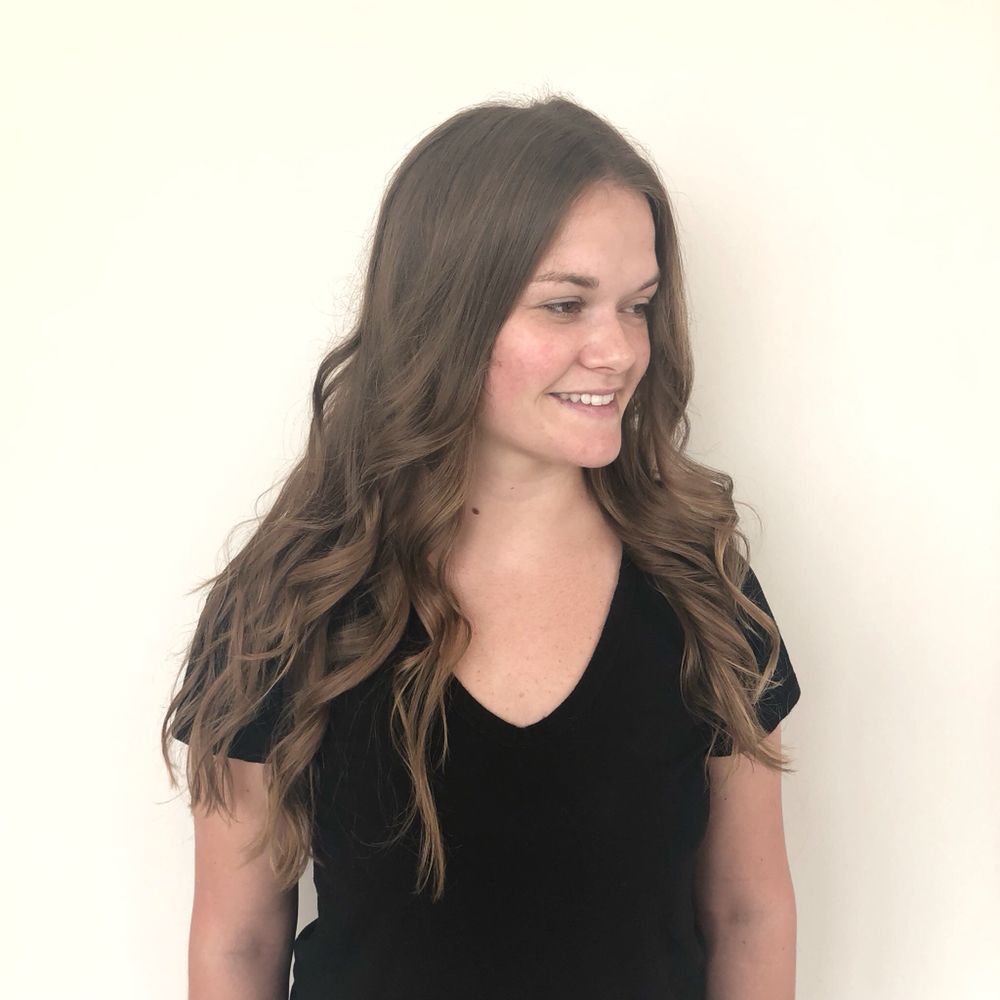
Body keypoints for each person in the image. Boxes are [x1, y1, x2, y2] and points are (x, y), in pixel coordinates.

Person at [162, 93, 802, 1000]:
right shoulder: (294, 595)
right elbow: (236, 943)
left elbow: (748, 913)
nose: (620, 350)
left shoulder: (700, 585)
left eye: (638, 305)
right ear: (446, 314)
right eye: (566, 305)